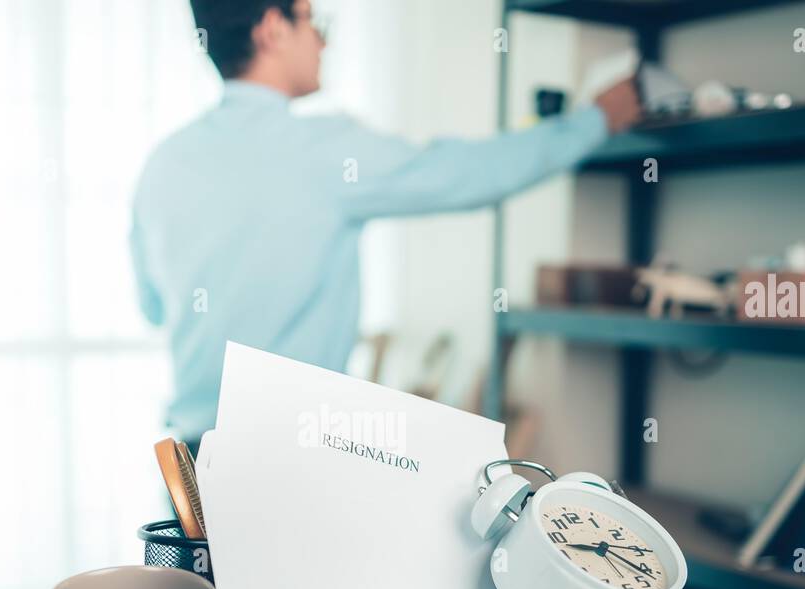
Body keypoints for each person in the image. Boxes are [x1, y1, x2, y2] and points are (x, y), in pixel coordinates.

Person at [130, 0, 641, 451]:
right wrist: (594, 120)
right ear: (272, 28)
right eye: (312, 19)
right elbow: (466, 173)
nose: (323, 39)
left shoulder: (163, 164)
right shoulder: (322, 150)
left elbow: (153, 308)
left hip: (187, 465)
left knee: (191, 568)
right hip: (286, 457)